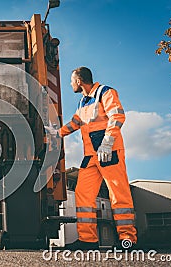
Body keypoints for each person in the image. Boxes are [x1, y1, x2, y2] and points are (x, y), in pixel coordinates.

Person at [47, 67, 137, 250]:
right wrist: (57, 133)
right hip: (91, 156)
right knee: (83, 194)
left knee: (118, 194)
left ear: (79, 81)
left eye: (72, 81)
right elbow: (75, 123)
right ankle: (88, 240)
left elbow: (117, 116)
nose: (71, 84)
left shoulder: (106, 92)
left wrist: (108, 142)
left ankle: (128, 239)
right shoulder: (83, 103)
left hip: (109, 152)